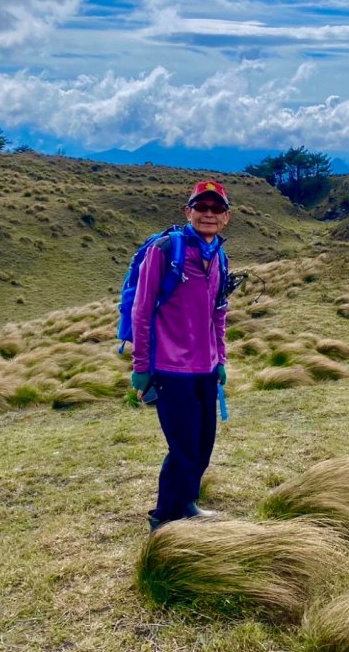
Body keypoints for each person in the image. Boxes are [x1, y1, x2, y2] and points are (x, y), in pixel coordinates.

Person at [130, 180, 232, 531]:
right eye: (201, 207)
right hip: (169, 368)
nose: (208, 214)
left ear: (226, 217)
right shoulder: (164, 251)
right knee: (183, 445)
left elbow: (219, 310)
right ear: (187, 211)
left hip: (205, 368)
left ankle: (186, 504)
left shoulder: (219, 255)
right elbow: (142, 312)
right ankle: (163, 518)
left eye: (216, 208)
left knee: (203, 444)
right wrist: (141, 368)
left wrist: (220, 358)